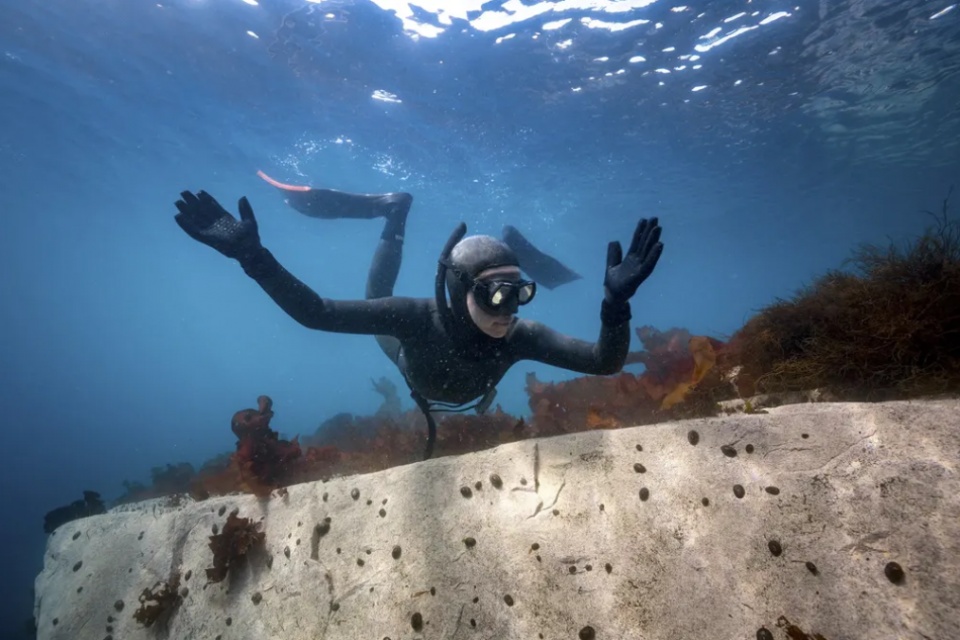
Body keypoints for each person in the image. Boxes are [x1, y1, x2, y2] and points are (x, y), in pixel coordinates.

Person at [173, 175, 664, 458]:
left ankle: (398, 214)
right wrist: (252, 257)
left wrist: (615, 305)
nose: (509, 311)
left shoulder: (520, 335)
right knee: (376, 295)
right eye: (496, 296)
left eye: (521, 294)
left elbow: (604, 362)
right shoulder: (412, 318)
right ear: (459, 290)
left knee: (379, 295)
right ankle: (394, 213)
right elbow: (315, 313)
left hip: (439, 380)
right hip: (408, 354)